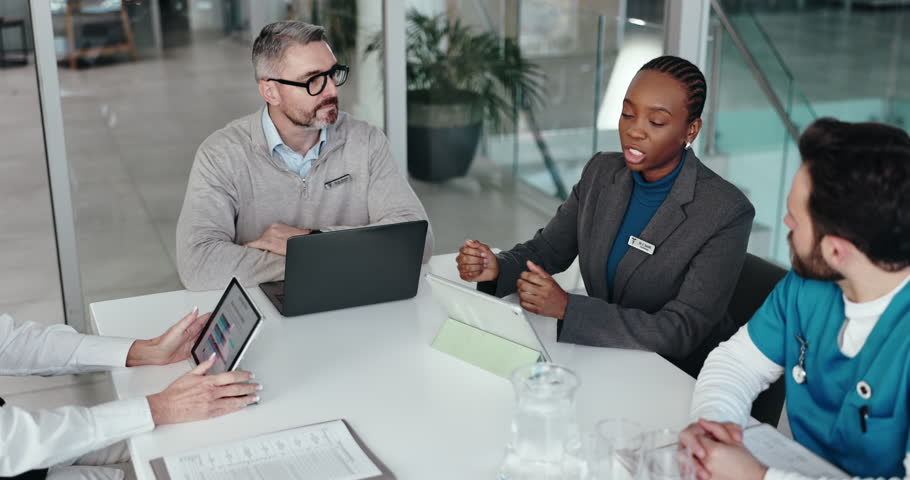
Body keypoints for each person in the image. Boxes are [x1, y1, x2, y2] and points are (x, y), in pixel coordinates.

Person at [455, 55, 754, 374]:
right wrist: (497, 268)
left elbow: (680, 330)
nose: (635, 131)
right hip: (605, 357)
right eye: (628, 114)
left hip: (678, 376)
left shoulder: (724, 211)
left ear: (690, 129)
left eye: (655, 122)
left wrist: (569, 309)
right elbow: (547, 251)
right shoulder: (602, 172)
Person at [680, 118, 910, 480]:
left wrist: (755, 476)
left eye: (795, 220)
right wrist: (716, 428)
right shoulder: (808, 284)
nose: (785, 221)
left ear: (836, 251)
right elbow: (736, 364)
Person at [176, 21, 433, 291]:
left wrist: (309, 240)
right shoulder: (221, 155)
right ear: (270, 91)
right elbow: (199, 264)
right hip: (266, 311)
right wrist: (343, 255)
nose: (332, 90)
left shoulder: (366, 141)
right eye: (313, 80)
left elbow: (418, 239)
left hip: (354, 300)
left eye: (333, 74)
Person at [0, 309, 260, 479]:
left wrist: (145, 351)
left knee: (169, 435)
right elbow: (15, 443)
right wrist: (160, 407)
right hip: (15, 448)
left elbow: (11, 342)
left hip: (22, 442)